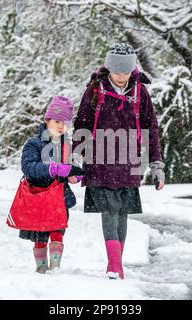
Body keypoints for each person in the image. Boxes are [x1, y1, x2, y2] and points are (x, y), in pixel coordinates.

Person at [72, 43, 165, 280]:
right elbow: (81, 124)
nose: (122, 77)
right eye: (117, 72)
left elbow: (150, 129)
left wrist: (156, 164)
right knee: (109, 210)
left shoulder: (139, 92)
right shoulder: (95, 90)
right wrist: (76, 158)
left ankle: (117, 263)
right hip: (99, 159)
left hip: (129, 160)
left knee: (122, 212)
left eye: (126, 72)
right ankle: (114, 265)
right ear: (109, 69)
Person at [19, 96, 83, 273]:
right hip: (39, 196)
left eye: (65, 123)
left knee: (58, 231)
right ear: (46, 120)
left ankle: (55, 267)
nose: (61, 126)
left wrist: (74, 176)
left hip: (59, 197)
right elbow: (28, 167)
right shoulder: (34, 143)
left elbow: (69, 169)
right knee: (40, 234)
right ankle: (41, 268)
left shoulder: (66, 145)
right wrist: (53, 169)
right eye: (56, 121)